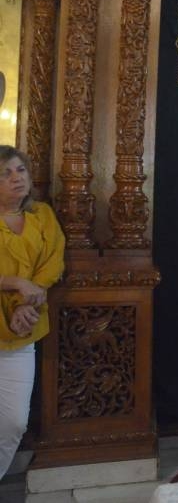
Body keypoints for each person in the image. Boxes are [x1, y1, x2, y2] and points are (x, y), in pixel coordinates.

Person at [0, 146, 65, 478]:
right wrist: (14, 283)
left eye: (20, 170)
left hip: (23, 328)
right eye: (6, 173)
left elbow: (52, 263)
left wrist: (27, 303)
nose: (16, 178)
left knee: (14, 421)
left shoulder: (42, 216)